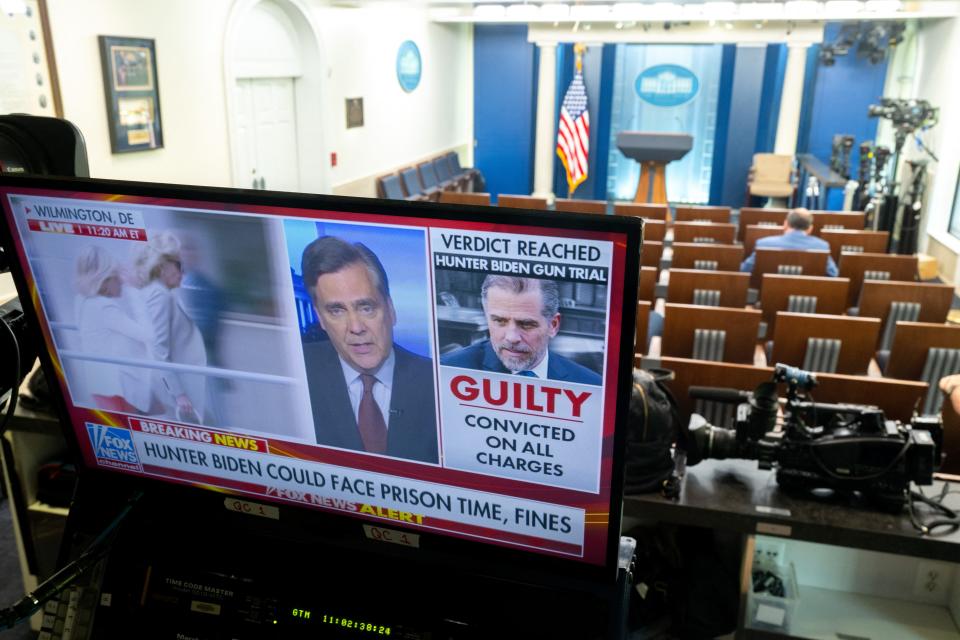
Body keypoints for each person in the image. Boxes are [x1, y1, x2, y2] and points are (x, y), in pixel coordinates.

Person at [300, 236, 438, 463]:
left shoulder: (436, 382)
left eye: (366, 307)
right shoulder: (297, 371)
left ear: (391, 309)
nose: (356, 328)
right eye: (336, 310)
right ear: (320, 318)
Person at [441, 275, 602, 385]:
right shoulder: (447, 372)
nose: (511, 338)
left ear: (553, 325)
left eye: (526, 324)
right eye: (499, 321)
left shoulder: (590, 385)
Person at [133, 231, 208, 424]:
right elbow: (159, 349)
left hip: (182, 384)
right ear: (161, 267)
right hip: (182, 391)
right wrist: (179, 395)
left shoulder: (157, 292)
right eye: (178, 265)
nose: (183, 272)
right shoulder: (159, 296)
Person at [74, 246, 153, 414]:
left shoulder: (81, 301)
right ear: (104, 279)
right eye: (117, 276)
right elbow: (148, 334)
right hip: (115, 389)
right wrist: (134, 290)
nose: (122, 281)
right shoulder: (104, 307)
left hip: (98, 384)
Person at [739, 208, 839, 277]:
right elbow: (834, 275)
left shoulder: (764, 244)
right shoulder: (822, 246)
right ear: (810, 228)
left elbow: (744, 271)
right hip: (806, 299)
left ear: (785, 224)